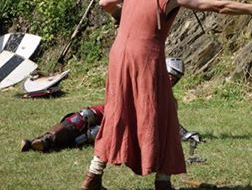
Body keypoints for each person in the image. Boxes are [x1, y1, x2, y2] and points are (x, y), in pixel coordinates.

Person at [80, 0, 252, 190]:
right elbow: (216, 6)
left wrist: (120, 17)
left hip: (118, 55)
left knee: (117, 111)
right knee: (164, 113)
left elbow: (104, 2)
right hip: (145, 57)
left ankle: (93, 175)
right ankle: (163, 184)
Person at [20, 58, 198, 153]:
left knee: (94, 133)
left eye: (175, 79)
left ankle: (47, 145)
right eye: (169, 75)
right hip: (111, 110)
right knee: (82, 116)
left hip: (124, 125)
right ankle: (41, 139)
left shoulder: (169, 101)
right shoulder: (141, 80)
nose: (170, 80)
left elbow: (170, 124)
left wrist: (187, 134)